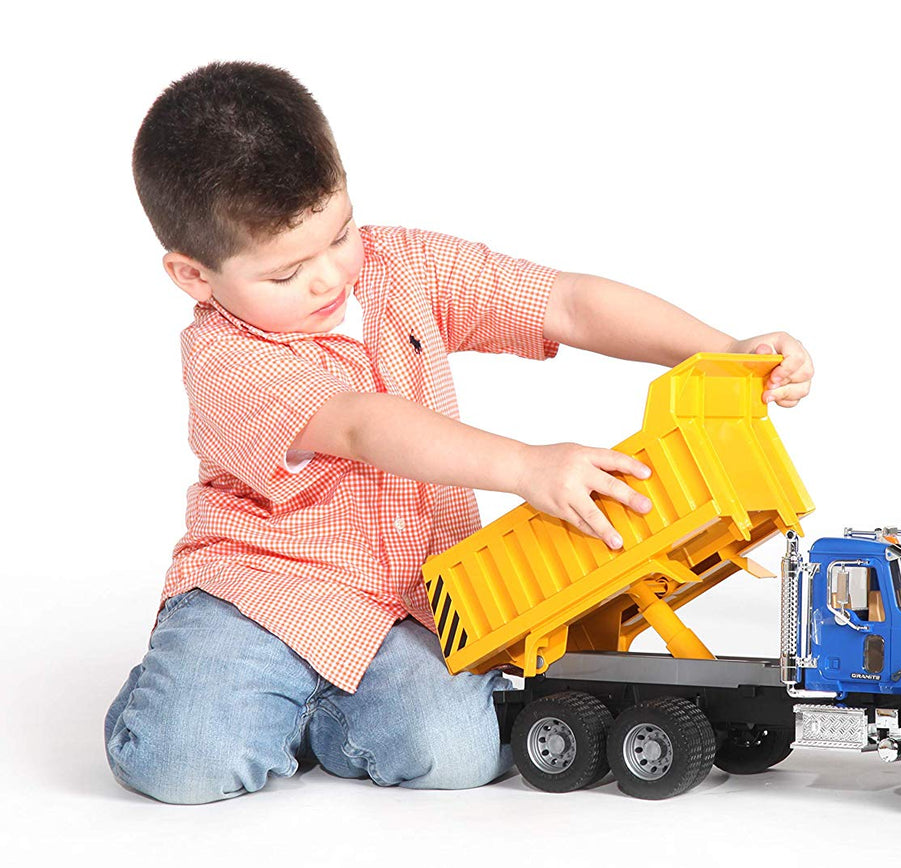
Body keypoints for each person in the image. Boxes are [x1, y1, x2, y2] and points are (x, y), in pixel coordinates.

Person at [104, 60, 814, 805]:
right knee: (184, 765)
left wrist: (722, 350)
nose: (329, 279)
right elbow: (359, 423)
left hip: (402, 605)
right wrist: (527, 467)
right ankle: (190, 688)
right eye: (284, 275)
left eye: (339, 233)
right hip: (258, 596)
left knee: (459, 756)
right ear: (193, 276)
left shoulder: (400, 265)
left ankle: (305, 719)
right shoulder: (224, 358)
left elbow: (564, 302)